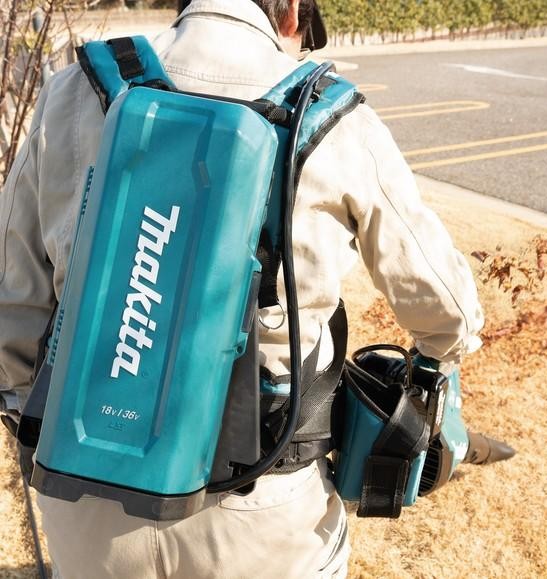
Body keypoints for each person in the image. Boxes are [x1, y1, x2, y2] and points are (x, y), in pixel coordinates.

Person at [0, 0, 510, 577]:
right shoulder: (332, 114)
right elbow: (448, 310)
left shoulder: (76, 87)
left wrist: (37, 414)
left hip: (83, 487)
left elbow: (12, 301)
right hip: (261, 500)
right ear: (291, 10)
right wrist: (437, 363)